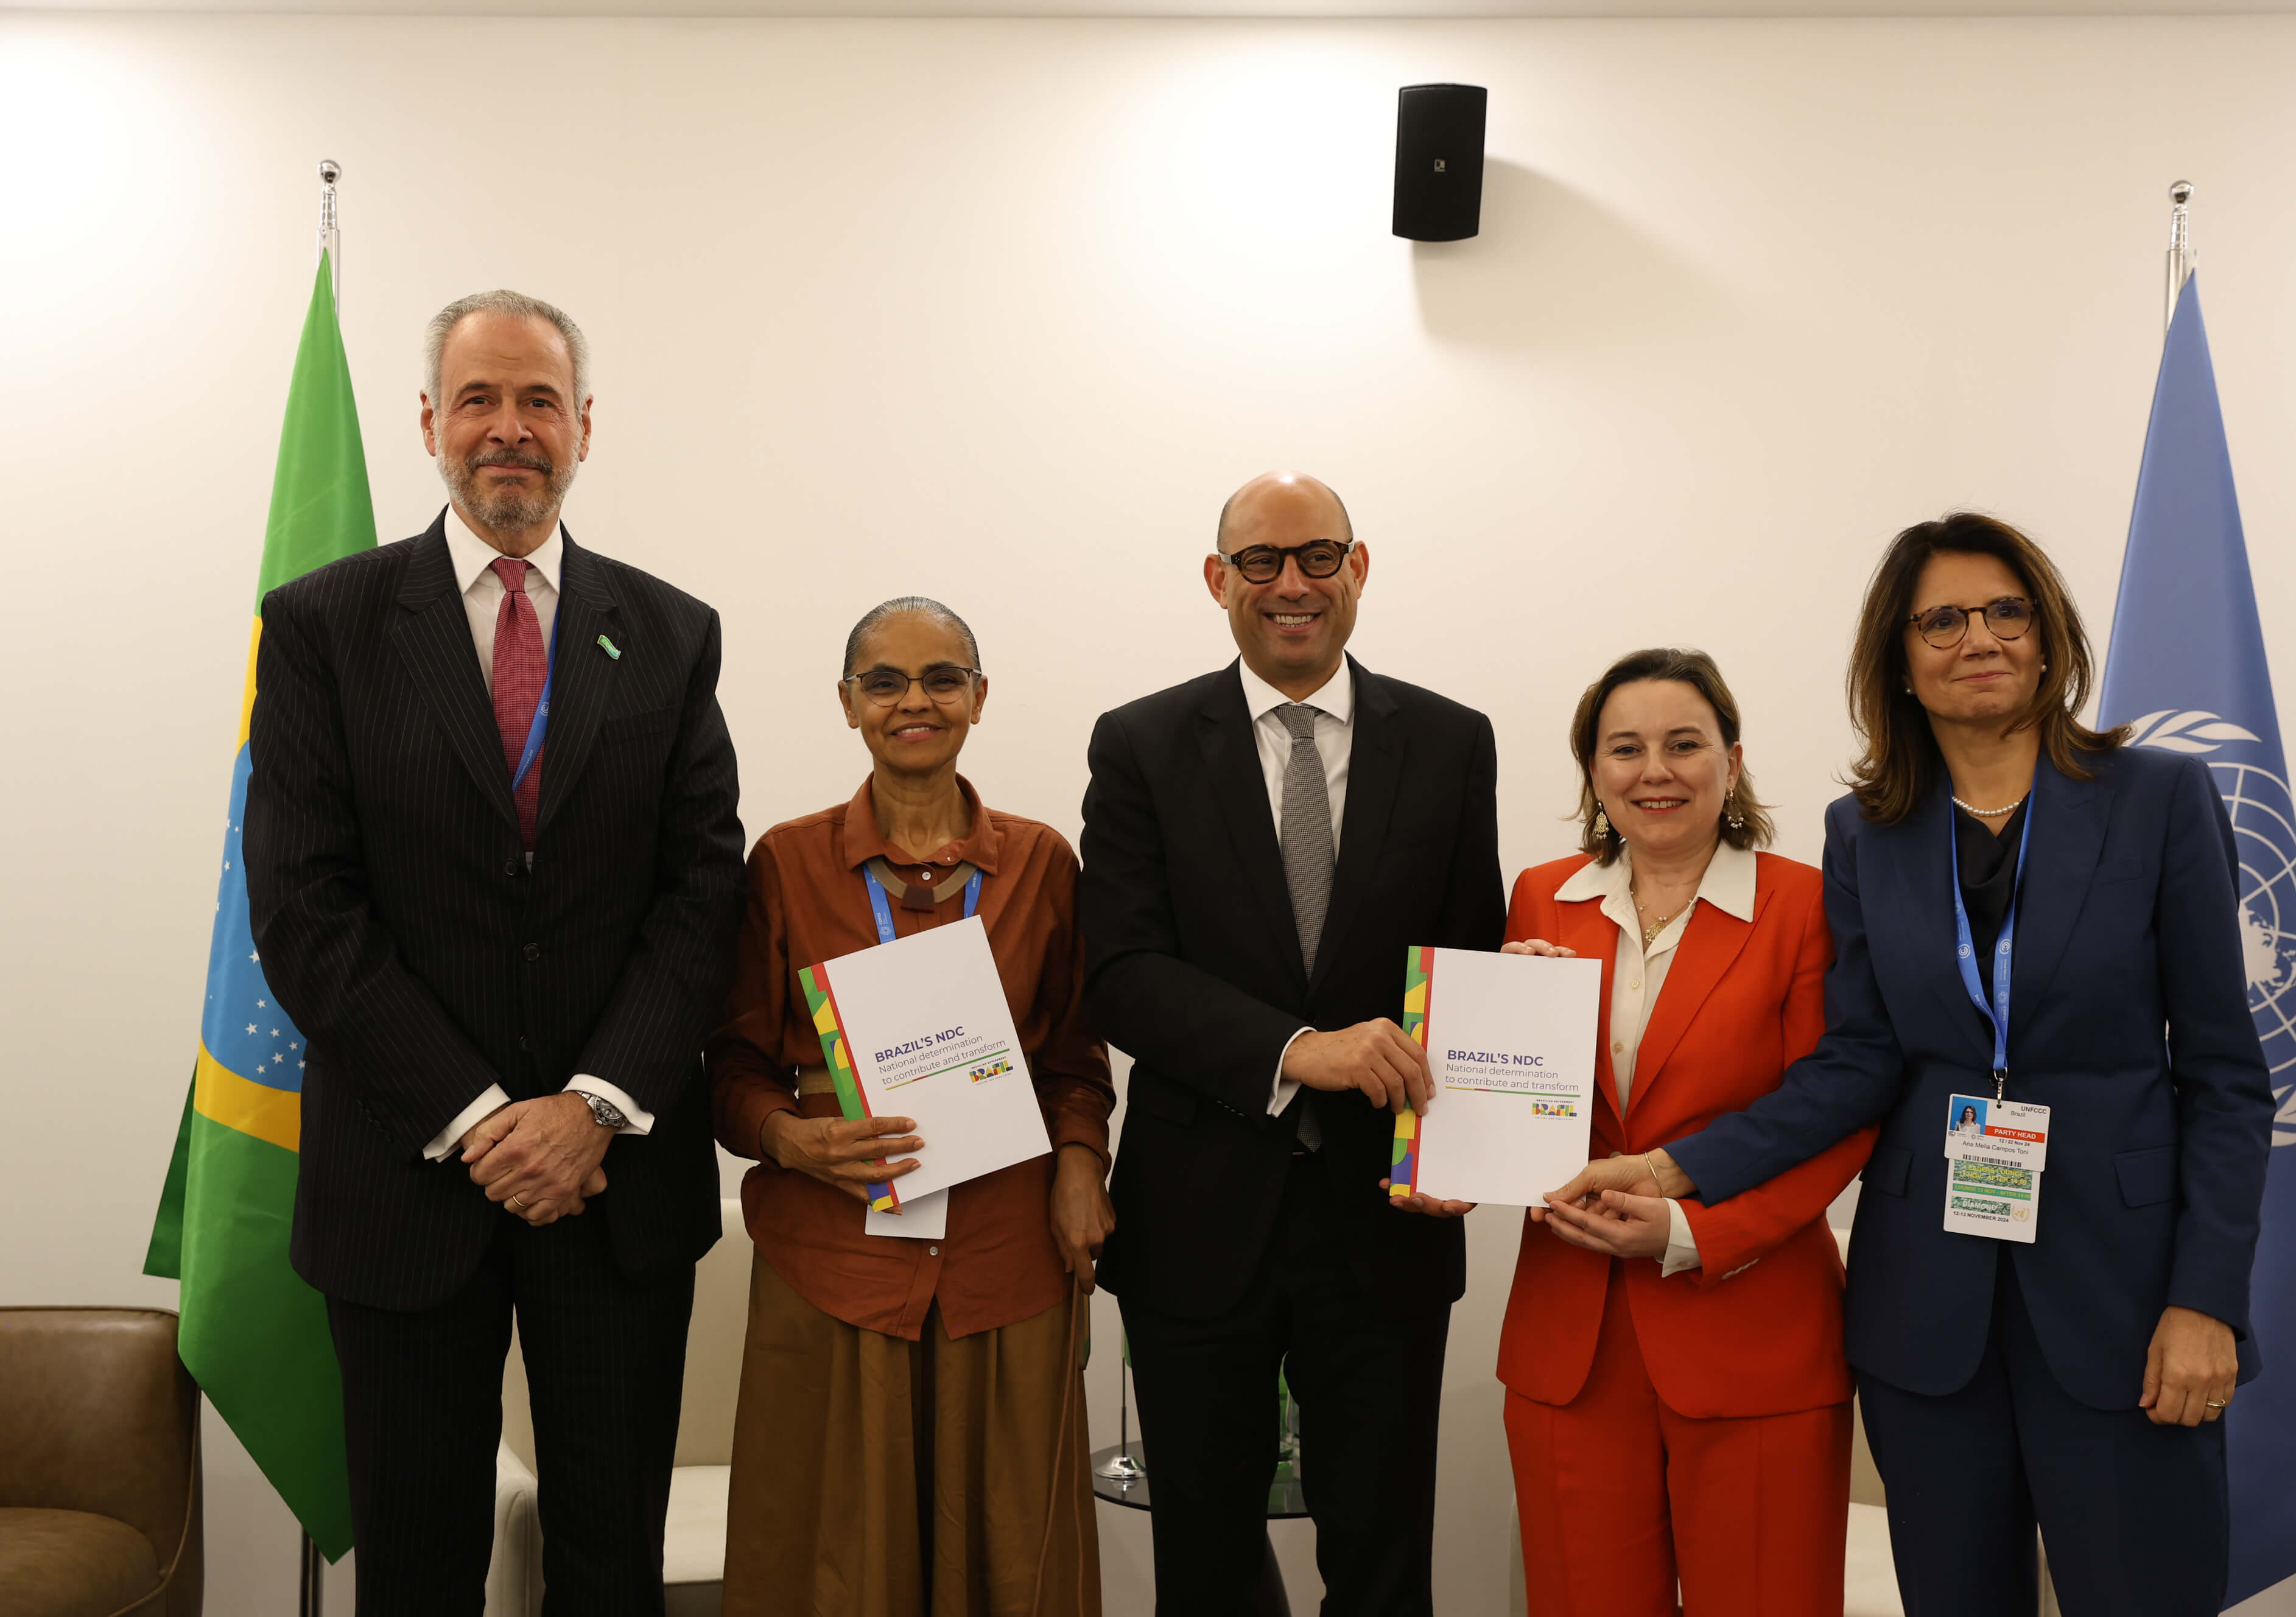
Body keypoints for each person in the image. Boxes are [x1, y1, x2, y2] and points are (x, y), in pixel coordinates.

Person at [1584, 513, 2273, 1615]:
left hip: (2126, 1304)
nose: (1978, 638)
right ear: (1899, 662)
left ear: (2048, 640)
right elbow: (1858, 1060)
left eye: (2006, 611)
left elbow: (2229, 1076)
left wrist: (2208, 1302)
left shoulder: (2157, 799)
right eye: (1940, 620)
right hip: (1927, 1315)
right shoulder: (1867, 830)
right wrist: (1677, 1168)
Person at [246, 289, 746, 1615]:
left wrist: (591, 1107)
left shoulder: (672, 631)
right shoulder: (322, 627)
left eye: (538, 401)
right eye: (480, 399)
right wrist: (481, 1119)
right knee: (416, 1570)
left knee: (609, 1564)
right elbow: (302, 906)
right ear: (430, 423)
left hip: (615, 1184)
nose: (509, 429)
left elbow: (703, 896)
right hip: (404, 1186)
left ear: (584, 427)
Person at [1078, 471, 1504, 1616]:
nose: (1292, 584)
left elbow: (1467, 968)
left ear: (1360, 568)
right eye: (1260, 562)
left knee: (1382, 1562)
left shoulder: (1456, 743)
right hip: (1197, 1223)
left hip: (1388, 1225)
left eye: (1319, 555)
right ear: (1217, 582)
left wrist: (1489, 1100)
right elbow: (1119, 975)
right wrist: (1293, 1049)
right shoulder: (1142, 745)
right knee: (1206, 1569)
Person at [707, 597, 1115, 1617]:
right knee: (837, 1558)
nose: (914, 701)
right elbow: (729, 1067)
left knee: (1016, 1550)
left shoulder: (1041, 863)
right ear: (849, 705)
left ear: (979, 697)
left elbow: (1075, 1057)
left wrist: (1081, 1166)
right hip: (837, 1256)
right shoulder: (787, 864)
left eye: (941, 678)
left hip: (1008, 1255)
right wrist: (791, 1140)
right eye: (884, 682)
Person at [1495, 648, 1875, 1617]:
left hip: (1752, 1327)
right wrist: (1491, 1034)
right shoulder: (1542, 897)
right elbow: (1513, 1100)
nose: (1653, 771)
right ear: (1592, 772)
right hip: (1570, 1336)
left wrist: (1693, 1232)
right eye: (1624, 748)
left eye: (1683, 744)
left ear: (1733, 762)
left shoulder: (1808, 903)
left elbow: (1837, 1114)